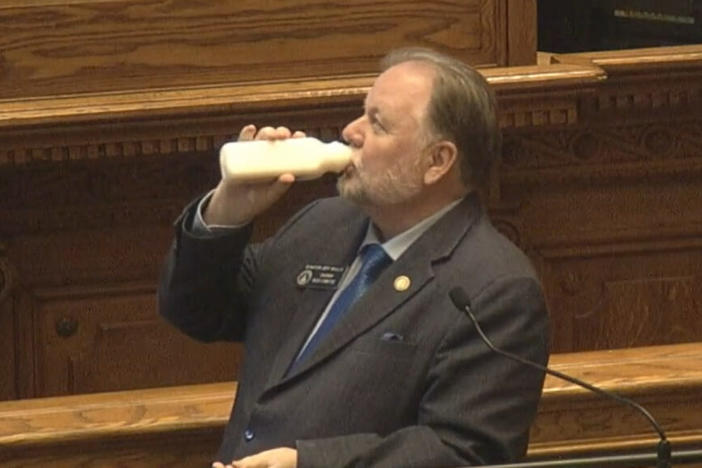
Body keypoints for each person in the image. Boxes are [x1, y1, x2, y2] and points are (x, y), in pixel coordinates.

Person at [158, 47, 550, 468]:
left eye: (377, 124)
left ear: (437, 161)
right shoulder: (323, 225)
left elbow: (463, 453)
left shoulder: (495, 290)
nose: (349, 130)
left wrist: (308, 464)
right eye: (362, 113)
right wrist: (227, 210)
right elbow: (194, 310)